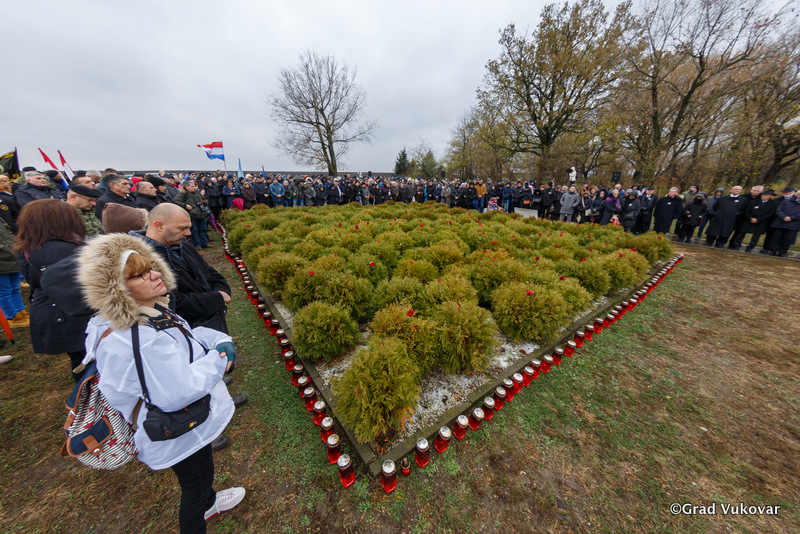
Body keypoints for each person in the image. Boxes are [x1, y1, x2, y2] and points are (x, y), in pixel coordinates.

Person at [77, 233, 245, 532]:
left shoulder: (149, 311)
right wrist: (218, 358)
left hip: (184, 420)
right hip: (175, 425)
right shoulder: (134, 338)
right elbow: (178, 392)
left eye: (152, 267)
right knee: (195, 484)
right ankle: (200, 513)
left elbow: (183, 339)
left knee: (201, 472)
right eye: (139, 275)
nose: (155, 275)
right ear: (115, 288)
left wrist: (216, 339)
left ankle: (209, 501)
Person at [134, 203, 246, 450]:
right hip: (185, 327)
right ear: (158, 225)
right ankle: (203, 428)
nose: (189, 232)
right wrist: (216, 298)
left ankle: (219, 395)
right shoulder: (142, 261)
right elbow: (173, 301)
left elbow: (209, 272)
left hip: (209, 318)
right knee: (189, 378)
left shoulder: (180, 245)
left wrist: (223, 290)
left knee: (212, 361)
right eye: (182, 228)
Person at [14, 199, 91, 381]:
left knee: (79, 359)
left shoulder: (28, 248)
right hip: (74, 313)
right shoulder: (67, 249)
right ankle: (89, 395)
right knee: (87, 362)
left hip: (52, 308)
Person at [0, 218, 27, 327]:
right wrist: (8, 249)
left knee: (15, 287)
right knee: (4, 290)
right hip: (3, 260)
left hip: (12, 258)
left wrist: (16, 245)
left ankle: (21, 312)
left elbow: (9, 233)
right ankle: (12, 316)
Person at [173, 180, 210, 249]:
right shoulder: (183, 194)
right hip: (192, 215)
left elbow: (204, 199)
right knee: (194, 230)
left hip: (201, 214)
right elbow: (175, 201)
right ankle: (197, 244)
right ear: (186, 187)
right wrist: (185, 205)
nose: (194, 188)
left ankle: (204, 243)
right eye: (192, 186)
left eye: (194, 186)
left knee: (203, 229)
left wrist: (204, 202)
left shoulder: (197, 192)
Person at [768, 187, 800, 257]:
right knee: (776, 237)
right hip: (780, 222)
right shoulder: (786, 201)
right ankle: (773, 251)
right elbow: (779, 210)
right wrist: (783, 217)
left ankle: (782, 252)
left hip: (793, 224)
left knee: (788, 239)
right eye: (799, 194)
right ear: (796, 194)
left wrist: (791, 218)